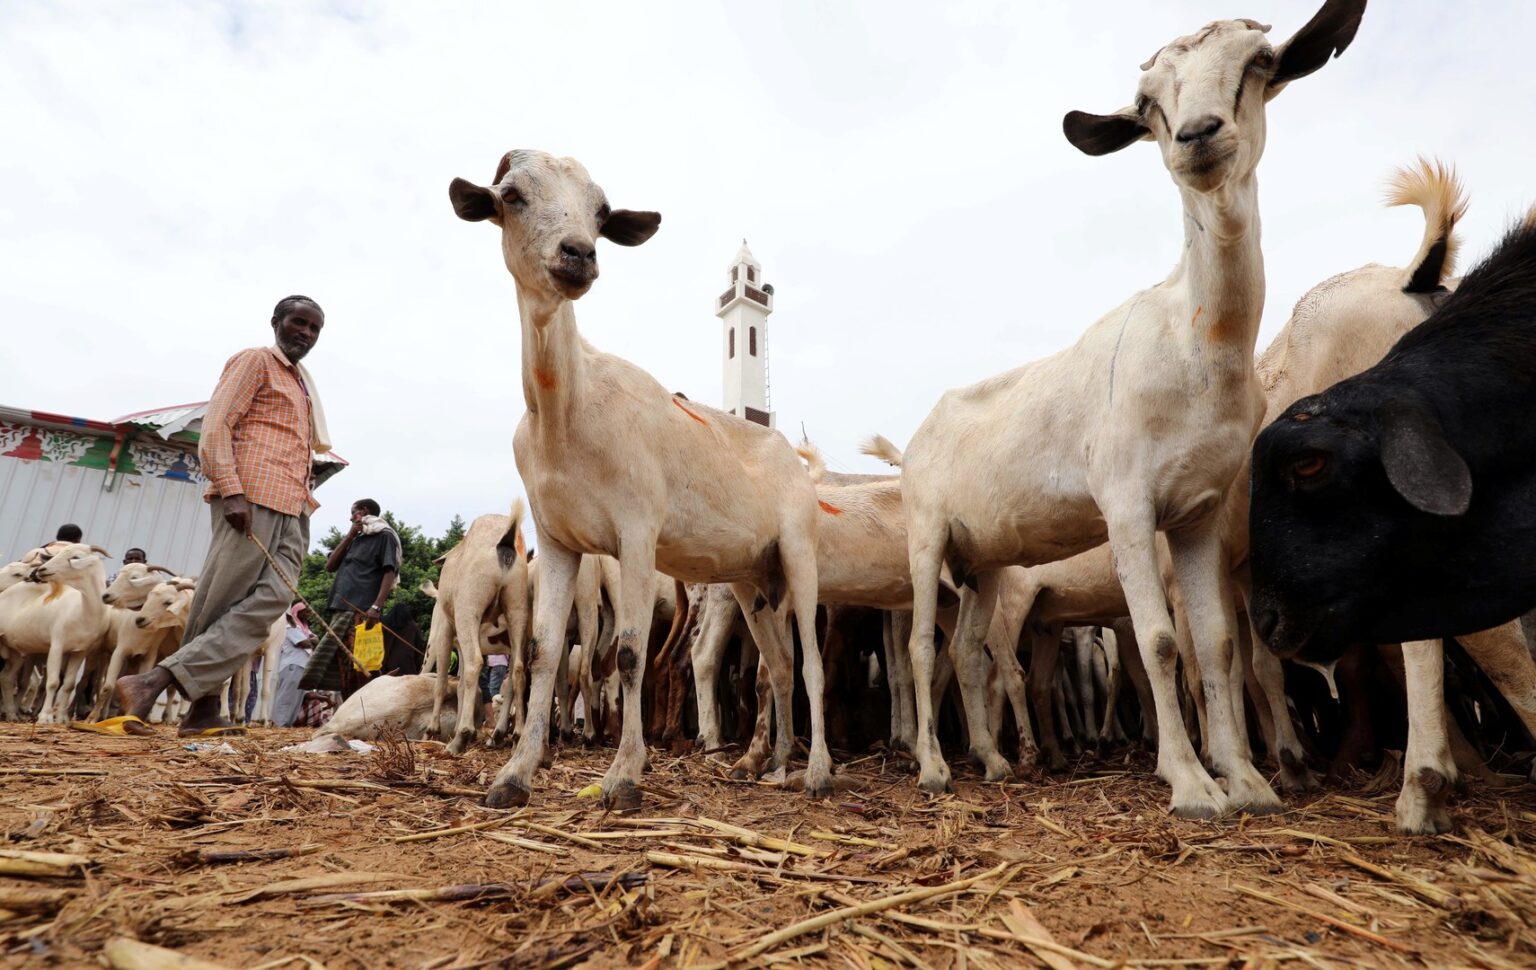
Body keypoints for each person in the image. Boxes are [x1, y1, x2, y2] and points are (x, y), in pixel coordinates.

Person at [113, 295, 330, 735]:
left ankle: (156, 682)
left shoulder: (302, 384)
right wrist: (231, 491)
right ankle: (201, 709)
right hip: (252, 495)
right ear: (276, 322)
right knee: (219, 601)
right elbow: (216, 426)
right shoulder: (255, 361)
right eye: (298, 323)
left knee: (275, 600)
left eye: (314, 328)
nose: (305, 333)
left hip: (293, 503)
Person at [299, 498, 400, 694]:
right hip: (341, 608)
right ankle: (350, 711)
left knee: (361, 664)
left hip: (362, 610)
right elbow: (330, 566)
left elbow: (389, 572)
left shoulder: (385, 536)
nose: (350, 517)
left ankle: (368, 710)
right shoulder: (355, 539)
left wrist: (377, 607)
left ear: (363, 511)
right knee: (343, 666)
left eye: (352, 512)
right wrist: (350, 535)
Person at [271, 603, 317, 727]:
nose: (307, 614)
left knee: (296, 698)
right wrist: (311, 640)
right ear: (297, 612)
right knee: (286, 696)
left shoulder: (304, 629)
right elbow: (304, 643)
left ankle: (288, 724)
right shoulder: (291, 627)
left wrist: (311, 640)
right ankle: (280, 724)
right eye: (305, 611)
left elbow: (315, 640)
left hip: (302, 666)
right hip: (292, 665)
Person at [381, 602, 425, 676]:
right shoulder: (413, 627)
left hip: (387, 664)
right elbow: (419, 645)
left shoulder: (385, 625)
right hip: (407, 665)